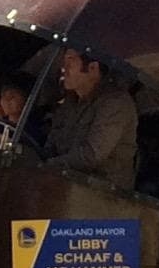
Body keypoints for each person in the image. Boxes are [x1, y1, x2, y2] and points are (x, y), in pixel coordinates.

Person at [43, 48, 138, 190]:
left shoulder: (115, 103)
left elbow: (91, 156)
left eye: (70, 61)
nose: (63, 68)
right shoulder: (70, 102)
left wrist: (49, 165)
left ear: (93, 68)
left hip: (103, 195)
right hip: (64, 184)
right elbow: (52, 143)